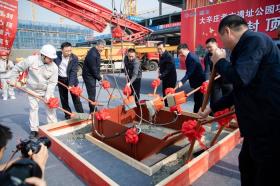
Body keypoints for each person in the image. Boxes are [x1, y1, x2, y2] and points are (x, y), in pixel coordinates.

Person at [198, 15, 280, 186]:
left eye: (221, 38)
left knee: (264, 172)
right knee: (247, 164)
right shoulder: (245, 47)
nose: (223, 44)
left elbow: (239, 78)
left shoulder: (255, 40)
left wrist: (219, 61)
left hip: (267, 123)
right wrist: (211, 109)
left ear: (227, 31)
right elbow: (240, 91)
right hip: (255, 125)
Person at [9, 44, 58, 139]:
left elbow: (52, 83)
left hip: (46, 90)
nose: (52, 60)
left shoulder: (54, 67)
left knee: (51, 108)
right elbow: (17, 68)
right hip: (32, 90)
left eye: (53, 58)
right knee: (33, 109)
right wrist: (13, 79)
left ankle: (52, 127)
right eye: (50, 58)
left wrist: (48, 96)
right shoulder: (31, 60)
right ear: (43, 55)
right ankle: (34, 130)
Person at [54, 42, 84, 120]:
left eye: (70, 50)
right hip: (61, 80)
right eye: (67, 51)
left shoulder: (74, 58)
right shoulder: (56, 56)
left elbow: (73, 72)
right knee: (64, 99)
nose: (69, 52)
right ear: (62, 50)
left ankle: (81, 115)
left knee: (76, 99)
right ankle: (68, 115)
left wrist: (70, 85)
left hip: (71, 80)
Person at [176, 44, 206, 113]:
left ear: (186, 49)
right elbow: (189, 71)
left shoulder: (191, 58)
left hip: (199, 82)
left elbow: (189, 73)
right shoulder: (189, 56)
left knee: (199, 101)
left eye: (181, 52)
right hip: (197, 82)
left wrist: (182, 82)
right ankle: (197, 114)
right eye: (179, 53)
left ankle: (197, 115)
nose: (180, 54)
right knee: (198, 100)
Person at [204, 38, 232, 108]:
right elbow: (207, 70)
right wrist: (207, 80)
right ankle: (213, 117)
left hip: (227, 80)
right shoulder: (207, 57)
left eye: (210, 47)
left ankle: (227, 117)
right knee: (215, 101)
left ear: (216, 44)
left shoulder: (225, 52)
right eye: (207, 48)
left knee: (229, 101)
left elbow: (229, 64)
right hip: (215, 81)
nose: (209, 49)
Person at [82, 39, 106, 113]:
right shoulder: (92, 54)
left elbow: (96, 67)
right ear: (98, 45)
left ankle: (93, 108)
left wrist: (98, 76)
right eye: (102, 47)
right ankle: (92, 111)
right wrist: (99, 78)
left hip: (92, 75)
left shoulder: (95, 52)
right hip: (89, 76)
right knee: (92, 94)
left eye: (103, 48)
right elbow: (93, 68)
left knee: (93, 93)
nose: (102, 49)